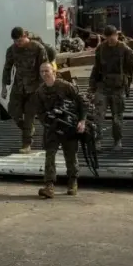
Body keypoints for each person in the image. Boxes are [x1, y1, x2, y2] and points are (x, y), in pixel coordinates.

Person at [33, 62, 88, 198]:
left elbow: (82, 102)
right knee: (49, 155)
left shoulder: (65, 86)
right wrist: (48, 121)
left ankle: (72, 182)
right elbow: (39, 112)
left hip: (68, 126)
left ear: (54, 72)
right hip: (52, 128)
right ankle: (49, 185)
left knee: (70, 155)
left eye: (47, 71)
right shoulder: (39, 92)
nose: (44, 74)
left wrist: (82, 121)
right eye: (42, 71)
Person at [88, 25, 133, 151]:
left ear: (117, 35)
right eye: (107, 38)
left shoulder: (124, 49)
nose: (110, 41)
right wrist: (91, 87)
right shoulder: (101, 49)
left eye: (112, 38)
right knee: (98, 116)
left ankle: (117, 140)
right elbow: (96, 69)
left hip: (118, 88)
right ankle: (97, 141)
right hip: (103, 86)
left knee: (117, 117)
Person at [1, 27, 48, 153]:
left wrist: (45, 87)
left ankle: (26, 144)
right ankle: (28, 129)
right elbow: (7, 68)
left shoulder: (38, 48)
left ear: (25, 36)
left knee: (29, 115)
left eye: (20, 41)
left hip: (34, 87)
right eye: (15, 41)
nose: (18, 44)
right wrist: (4, 87)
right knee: (13, 111)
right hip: (19, 87)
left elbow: (44, 68)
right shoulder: (12, 50)